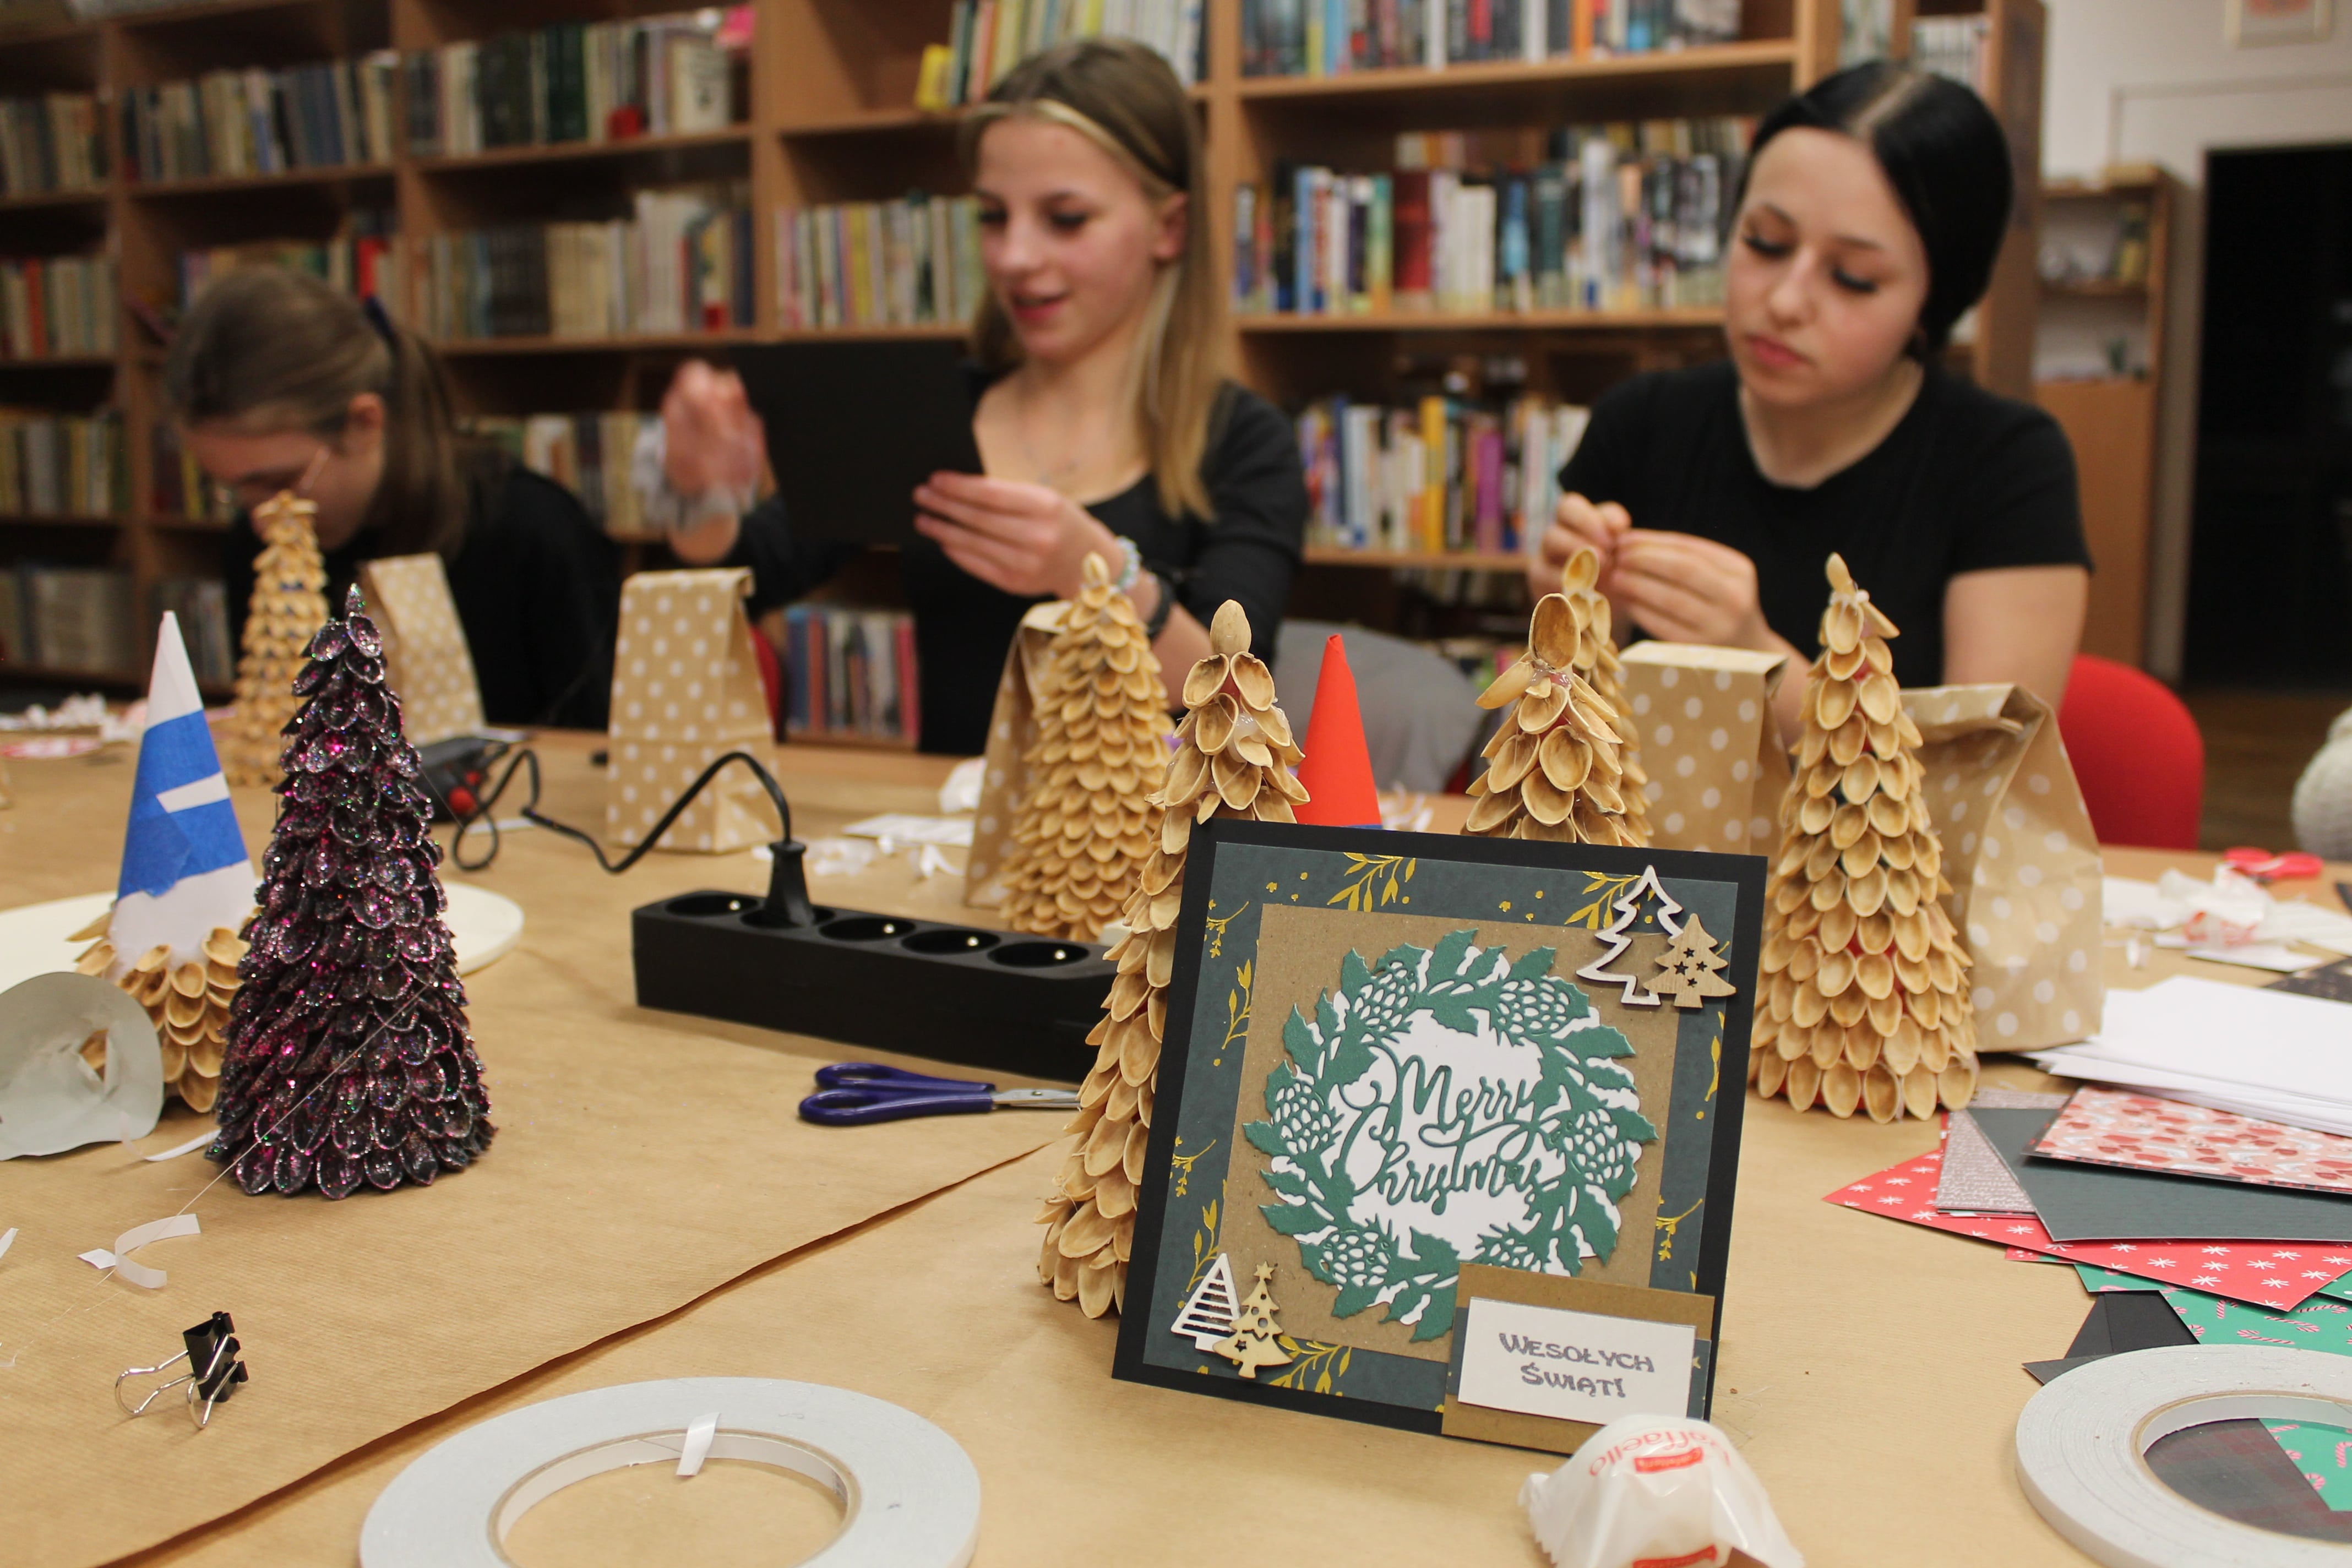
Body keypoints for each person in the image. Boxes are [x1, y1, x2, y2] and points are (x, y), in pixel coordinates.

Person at [658, 37, 1307, 755]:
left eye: (1065, 218)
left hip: (1145, 862)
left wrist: (1097, 576)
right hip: (948, 851)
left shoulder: (1245, 441)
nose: (1014, 257)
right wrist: (702, 495)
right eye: (994, 217)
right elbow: (743, 582)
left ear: (1170, 227)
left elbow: (1240, 705)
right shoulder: (935, 408)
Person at [1529, 63, 2090, 741]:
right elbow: (1554, 752)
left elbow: (1981, 785)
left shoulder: (2008, 466)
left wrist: (1755, 663)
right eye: (1764, 242)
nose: (1786, 301)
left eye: (1853, 278)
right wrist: (1573, 638)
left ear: (1931, 305)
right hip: (1660, 847)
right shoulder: (1639, 424)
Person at [166, 267, 620, 730]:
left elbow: (599, 747)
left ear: (364, 423)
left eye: (280, 483)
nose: (262, 520)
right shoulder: (255, 548)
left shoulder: (533, 533)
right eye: (233, 489)